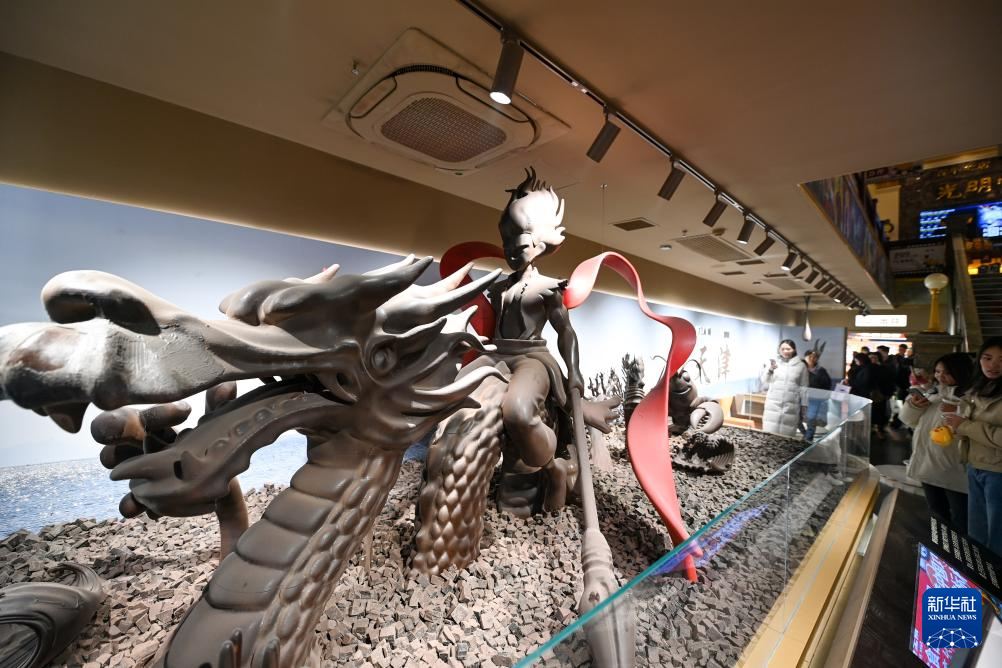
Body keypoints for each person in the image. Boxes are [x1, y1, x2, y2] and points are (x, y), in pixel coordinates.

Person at [900, 353, 974, 531]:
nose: (941, 376)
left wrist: (957, 409)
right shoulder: (933, 393)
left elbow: (975, 425)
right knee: (937, 513)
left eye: (947, 372)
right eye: (938, 371)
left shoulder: (972, 397)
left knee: (961, 516)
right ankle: (941, 546)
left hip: (954, 467)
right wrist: (914, 406)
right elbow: (909, 421)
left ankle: (960, 548)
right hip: (929, 464)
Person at [943, 337, 1002, 556]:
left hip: (998, 471)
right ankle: (977, 573)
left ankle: (993, 575)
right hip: (975, 465)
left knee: (996, 536)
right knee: (977, 533)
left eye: (1001, 360)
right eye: (987, 358)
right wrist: (956, 427)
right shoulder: (979, 389)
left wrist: (966, 426)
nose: (993, 365)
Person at [761, 339, 808, 437]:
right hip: (773, 404)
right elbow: (765, 380)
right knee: (769, 435)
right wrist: (770, 370)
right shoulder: (773, 363)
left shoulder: (801, 366)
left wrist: (804, 405)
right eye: (782, 349)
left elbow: (804, 387)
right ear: (779, 350)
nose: (785, 351)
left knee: (787, 437)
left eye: (788, 349)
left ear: (794, 350)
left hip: (791, 406)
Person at [803, 350, 832, 441]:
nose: (812, 358)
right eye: (809, 356)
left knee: (811, 418)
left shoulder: (821, 371)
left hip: (814, 399)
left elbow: (827, 385)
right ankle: (804, 434)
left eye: (814, 357)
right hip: (801, 398)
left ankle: (808, 438)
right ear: (805, 357)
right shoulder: (800, 369)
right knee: (797, 418)